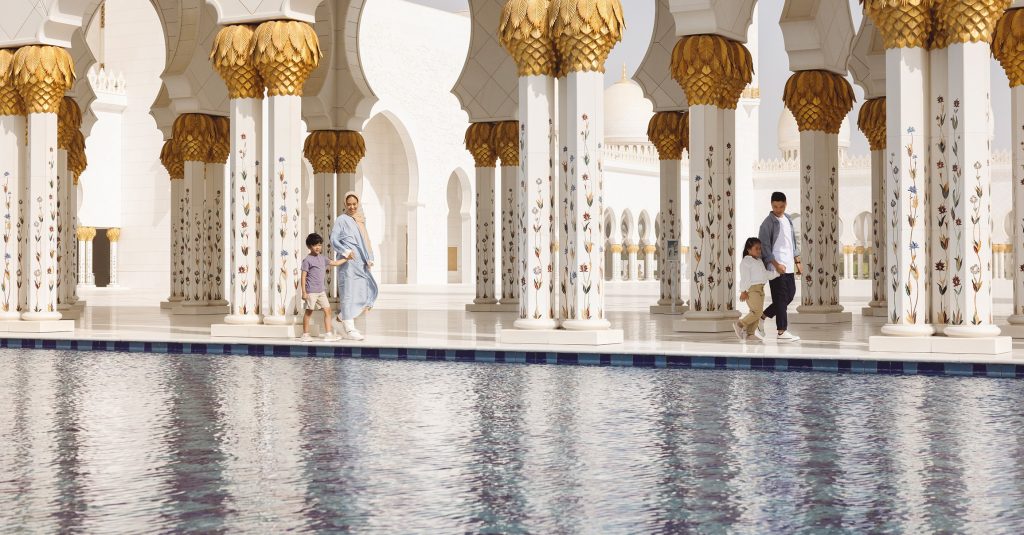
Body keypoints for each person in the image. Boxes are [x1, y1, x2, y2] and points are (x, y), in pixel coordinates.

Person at [330, 191, 379, 341]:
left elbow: (365, 241)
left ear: (358, 204)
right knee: (348, 294)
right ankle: (349, 328)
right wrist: (345, 251)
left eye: (354, 204)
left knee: (363, 292)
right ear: (345, 204)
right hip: (348, 264)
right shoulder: (341, 220)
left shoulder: (360, 220)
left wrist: (369, 258)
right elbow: (333, 239)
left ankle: (339, 319)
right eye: (349, 204)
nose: (352, 207)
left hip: (361, 263)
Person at [758, 191, 802, 342]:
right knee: (781, 297)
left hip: (788, 265)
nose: (778, 209)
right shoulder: (767, 223)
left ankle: (762, 317)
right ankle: (782, 332)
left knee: (789, 295)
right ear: (771, 205)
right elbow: (764, 247)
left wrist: (797, 262)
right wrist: (775, 265)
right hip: (776, 266)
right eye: (775, 206)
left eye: (781, 206)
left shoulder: (788, 219)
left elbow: (792, 242)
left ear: (785, 204)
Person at [300, 233, 352, 342]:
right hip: (311, 291)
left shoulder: (323, 258)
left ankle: (328, 334)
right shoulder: (307, 260)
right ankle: (305, 334)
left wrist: (347, 258)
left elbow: (336, 263)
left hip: (321, 291)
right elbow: (303, 277)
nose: (318, 247)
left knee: (328, 310)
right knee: (309, 312)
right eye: (315, 245)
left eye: (319, 245)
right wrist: (304, 292)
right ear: (309, 247)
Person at [734, 237, 778, 342]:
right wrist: (743, 291)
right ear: (748, 250)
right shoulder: (746, 262)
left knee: (756, 312)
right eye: (756, 248)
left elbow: (765, 274)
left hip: (761, 289)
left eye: (760, 249)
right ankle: (740, 324)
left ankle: (750, 334)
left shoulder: (759, 261)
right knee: (757, 312)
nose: (759, 251)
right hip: (751, 290)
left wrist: (776, 273)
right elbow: (745, 277)